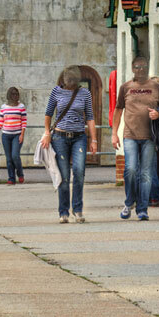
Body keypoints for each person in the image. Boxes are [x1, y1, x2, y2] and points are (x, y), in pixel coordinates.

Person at [111, 56, 159, 221]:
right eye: (137, 67)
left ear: (148, 68)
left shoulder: (156, 87)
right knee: (131, 170)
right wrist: (114, 134)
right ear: (133, 68)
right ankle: (129, 202)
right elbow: (118, 109)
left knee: (146, 174)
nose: (141, 69)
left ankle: (142, 209)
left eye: (144, 67)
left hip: (150, 136)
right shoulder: (126, 87)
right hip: (130, 136)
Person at [42, 68, 96, 223]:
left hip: (79, 137)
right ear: (64, 79)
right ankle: (63, 211)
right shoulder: (56, 92)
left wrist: (93, 140)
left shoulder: (85, 93)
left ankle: (77, 209)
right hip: (60, 137)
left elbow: (90, 117)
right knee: (64, 175)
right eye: (69, 80)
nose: (72, 83)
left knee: (79, 172)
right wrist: (47, 133)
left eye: (74, 80)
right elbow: (48, 113)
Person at [0, 86, 28, 184]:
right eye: (13, 94)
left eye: (17, 94)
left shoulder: (21, 107)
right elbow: (1, 120)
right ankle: (11, 178)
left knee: (15, 156)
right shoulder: (4, 107)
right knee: (9, 158)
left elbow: (24, 122)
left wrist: (22, 134)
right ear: (9, 95)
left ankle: (20, 173)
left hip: (17, 135)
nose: (15, 96)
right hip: (6, 135)